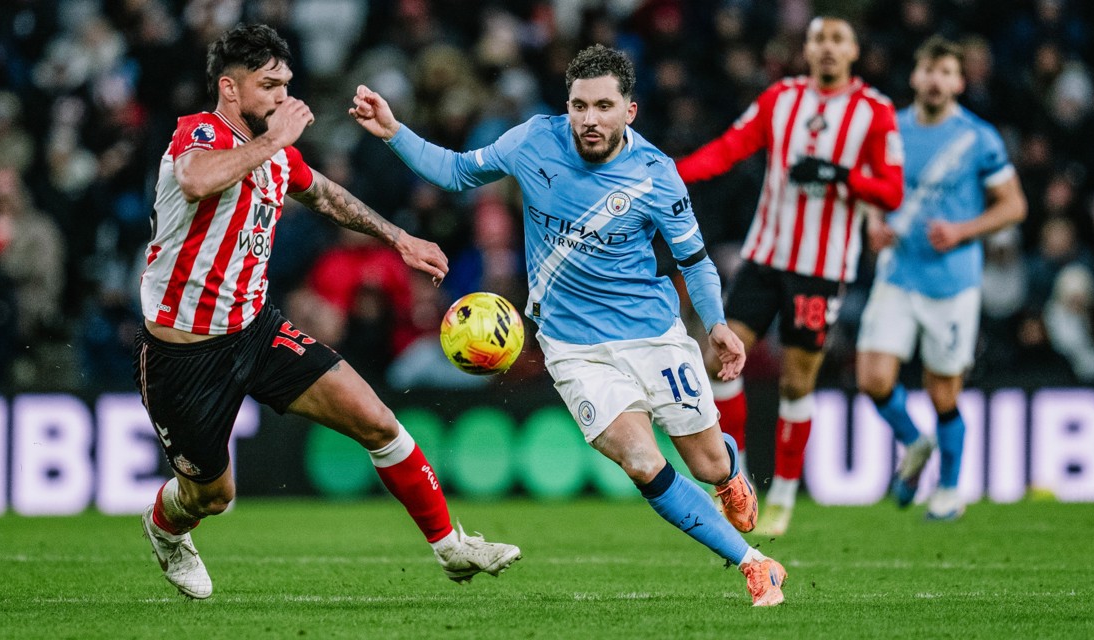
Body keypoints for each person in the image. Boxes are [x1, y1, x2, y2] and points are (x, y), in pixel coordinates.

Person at [352, 44, 786, 607]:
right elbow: (458, 172)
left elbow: (694, 260)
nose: (590, 118)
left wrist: (718, 325)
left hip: (653, 336)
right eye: (580, 105)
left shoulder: (656, 175)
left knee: (704, 462)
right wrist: (393, 131)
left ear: (629, 110)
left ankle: (727, 474)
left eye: (604, 105)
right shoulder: (533, 139)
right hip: (572, 348)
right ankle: (754, 564)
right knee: (641, 462)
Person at [134, 24, 520, 600]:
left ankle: (451, 547)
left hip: (254, 328)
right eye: (269, 86)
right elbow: (194, 181)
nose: (282, 99)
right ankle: (166, 528)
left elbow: (327, 196)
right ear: (230, 89)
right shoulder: (200, 134)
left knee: (378, 422)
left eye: (286, 85)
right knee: (211, 498)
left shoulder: (277, 157)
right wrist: (271, 143)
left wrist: (399, 239)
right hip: (185, 355)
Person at [676, 16, 904, 536]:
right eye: (819, 39)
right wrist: (673, 171)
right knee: (718, 362)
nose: (827, 49)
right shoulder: (781, 98)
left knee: (796, 381)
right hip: (765, 256)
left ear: (853, 51)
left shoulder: (874, 112)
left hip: (820, 271)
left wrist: (839, 174)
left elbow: (892, 191)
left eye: (837, 40)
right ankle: (739, 483)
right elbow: (731, 147)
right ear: (807, 48)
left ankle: (784, 492)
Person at [856, 36, 1026, 521]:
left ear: (959, 81)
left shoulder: (979, 138)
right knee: (872, 378)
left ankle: (950, 489)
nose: (935, 80)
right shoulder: (890, 130)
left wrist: (963, 230)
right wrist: (874, 224)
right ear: (915, 77)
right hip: (897, 275)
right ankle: (915, 443)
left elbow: (1014, 205)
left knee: (943, 391)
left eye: (946, 72)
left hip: (952, 283)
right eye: (928, 70)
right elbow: (870, 187)